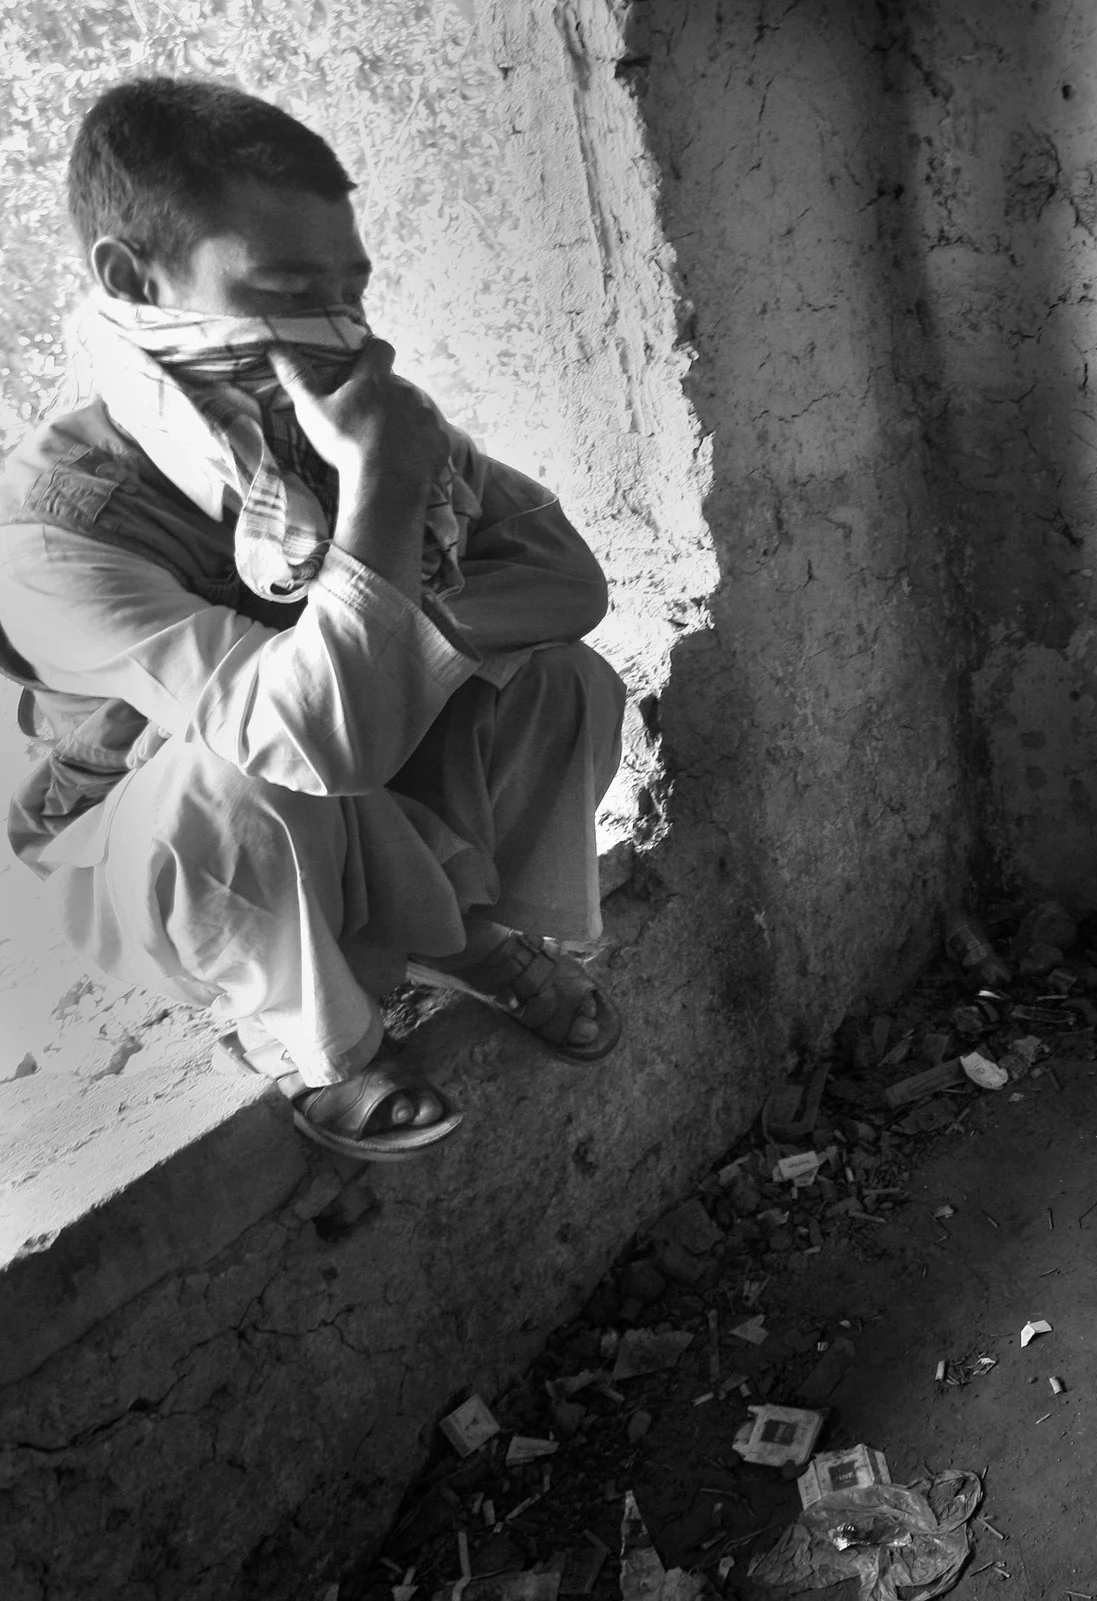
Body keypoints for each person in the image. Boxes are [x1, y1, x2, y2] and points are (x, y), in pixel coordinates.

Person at [0, 79, 629, 1161]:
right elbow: (303, 740)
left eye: (348, 288)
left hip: (350, 786)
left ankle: (462, 933)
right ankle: (324, 1046)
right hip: (168, 860)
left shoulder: (322, 418)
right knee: (258, 771)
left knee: (560, 681)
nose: (335, 328)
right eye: (287, 288)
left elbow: (563, 576)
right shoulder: (56, 528)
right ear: (131, 278)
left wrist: (375, 608)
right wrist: (380, 495)